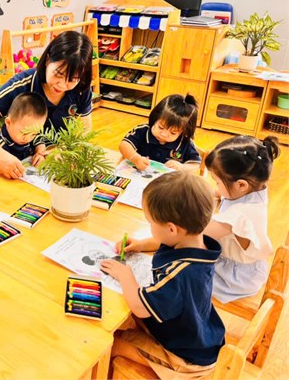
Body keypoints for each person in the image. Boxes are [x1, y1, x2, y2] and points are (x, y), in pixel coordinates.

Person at [101, 171, 224, 380]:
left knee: (110, 345)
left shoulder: (180, 274)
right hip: (199, 336)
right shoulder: (197, 243)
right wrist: (141, 245)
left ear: (172, 229)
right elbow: (165, 242)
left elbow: (140, 308)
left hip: (185, 359)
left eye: (150, 223)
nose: (150, 227)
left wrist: (125, 275)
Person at [0, 30, 94, 179]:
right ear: (47, 60)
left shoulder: (81, 90)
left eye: (72, 79)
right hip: (14, 168)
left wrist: (62, 151)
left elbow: (84, 131)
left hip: (50, 165)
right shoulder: (22, 85)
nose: (62, 84)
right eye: (58, 74)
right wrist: (0, 156)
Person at [204, 135, 280, 303]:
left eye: (217, 182)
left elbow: (197, 236)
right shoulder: (254, 191)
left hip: (232, 279)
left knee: (177, 272)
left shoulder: (238, 216)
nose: (216, 186)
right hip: (249, 269)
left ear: (241, 185)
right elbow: (220, 194)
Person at [120, 94, 201, 171]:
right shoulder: (142, 131)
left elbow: (195, 164)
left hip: (168, 179)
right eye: (161, 127)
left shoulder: (185, 142)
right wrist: (136, 159)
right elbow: (124, 145)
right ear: (155, 119)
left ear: (183, 131)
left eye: (173, 133)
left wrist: (182, 167)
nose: (164, 134)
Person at [0, 92, 48, 175]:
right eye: (24, 133)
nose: (28, 138)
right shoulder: (0, 144)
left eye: (34, 134)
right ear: (8, 122)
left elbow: (39, 140)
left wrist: (40, 153)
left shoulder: (30, 136)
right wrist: (2, 168)